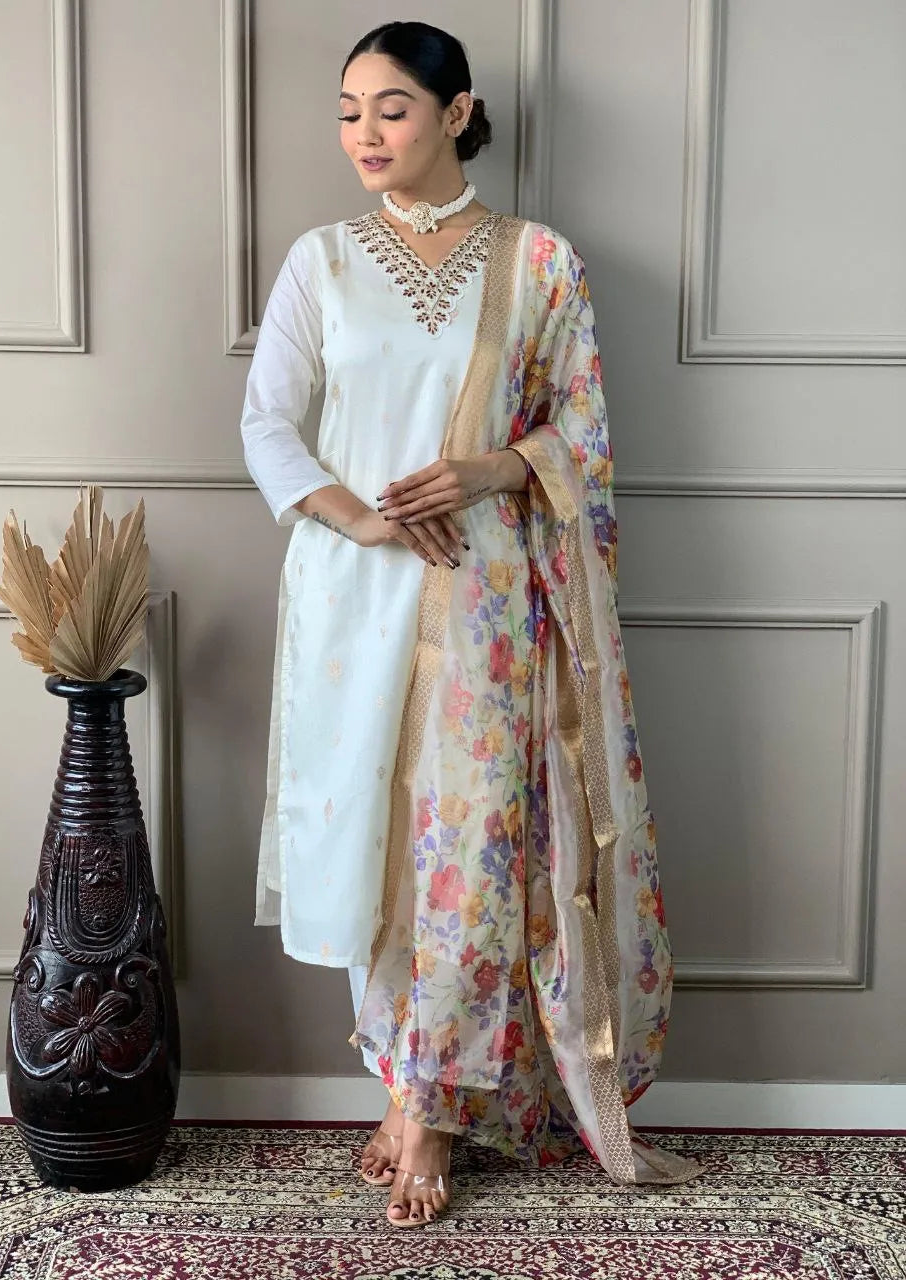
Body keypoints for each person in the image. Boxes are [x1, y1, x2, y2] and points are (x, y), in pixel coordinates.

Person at [240, 19, 701, 1229]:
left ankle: (435, 1102)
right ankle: (397, 1076)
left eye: (390, 108)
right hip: (354, 590)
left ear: (456, 113)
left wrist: (493, 471)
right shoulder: (321, 260)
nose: (363, 135)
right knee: (373, 839)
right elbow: (267, 426)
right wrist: (371, 521)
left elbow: (583, 444)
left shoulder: (541, 262)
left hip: (497, 598)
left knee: (468, 846)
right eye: (347, 111)